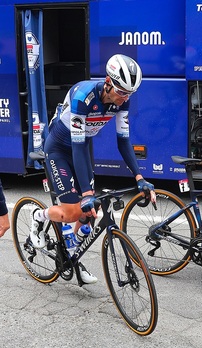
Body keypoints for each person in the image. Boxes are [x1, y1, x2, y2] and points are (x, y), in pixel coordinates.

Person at [30, 54, 155, 285]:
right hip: (60, 149)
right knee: (72, 212)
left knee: (89, 216)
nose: (124, 98)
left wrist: (139, 177)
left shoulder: (122, 101)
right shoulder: (83, 97)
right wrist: (86, 192)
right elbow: (76, 146)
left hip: (82, 148)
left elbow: (123, 141)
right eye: (121, 92)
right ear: (108, 82)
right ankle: (37, 218)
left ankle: (72, 256)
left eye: (129, 94)